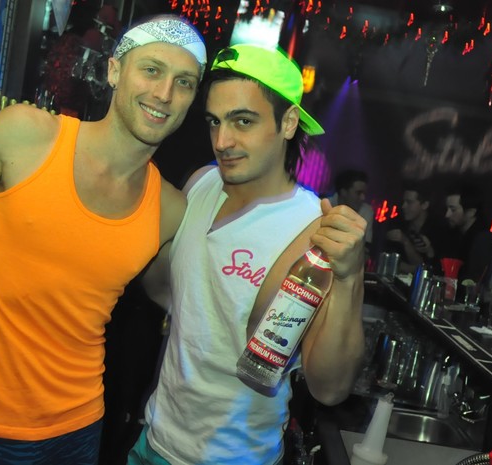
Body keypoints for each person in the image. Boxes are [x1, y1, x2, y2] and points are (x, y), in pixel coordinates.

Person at [0, 15, 206, 464]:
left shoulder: (170, 208)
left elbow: (181, 302)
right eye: (151, 70)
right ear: (114, 70)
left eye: (184, 82)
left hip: (77, 431)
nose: (164, 93)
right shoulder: (26, 136)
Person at [127, 44, 367, 465]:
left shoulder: (314, 230)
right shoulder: (201, 183)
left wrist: (349, 278)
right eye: (214, 121)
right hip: (154, 442)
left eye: (243, 121)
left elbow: (330, 389)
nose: (222, 141)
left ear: (288, 122)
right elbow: (166, 291)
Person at [384, 182, 445, 274]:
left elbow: (430, 269)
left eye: (409, 202)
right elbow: (389, 261)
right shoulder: (397, 223)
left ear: (424, 205)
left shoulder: (438, 230)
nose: (404, 206)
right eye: (403, 202)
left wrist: (405, 242)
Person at [441, 183, 487, 280]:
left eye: (453, 210)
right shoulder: (454, 233)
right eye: (447, 209)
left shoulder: (481, 241)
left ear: (471, 212)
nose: (447, 215)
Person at [328, 169, 374, 250]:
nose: (363, 198)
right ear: (343, 192)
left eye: (364, 193)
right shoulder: (325, 205)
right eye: (358, 193)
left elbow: (366, 247)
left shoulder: (367, 212)